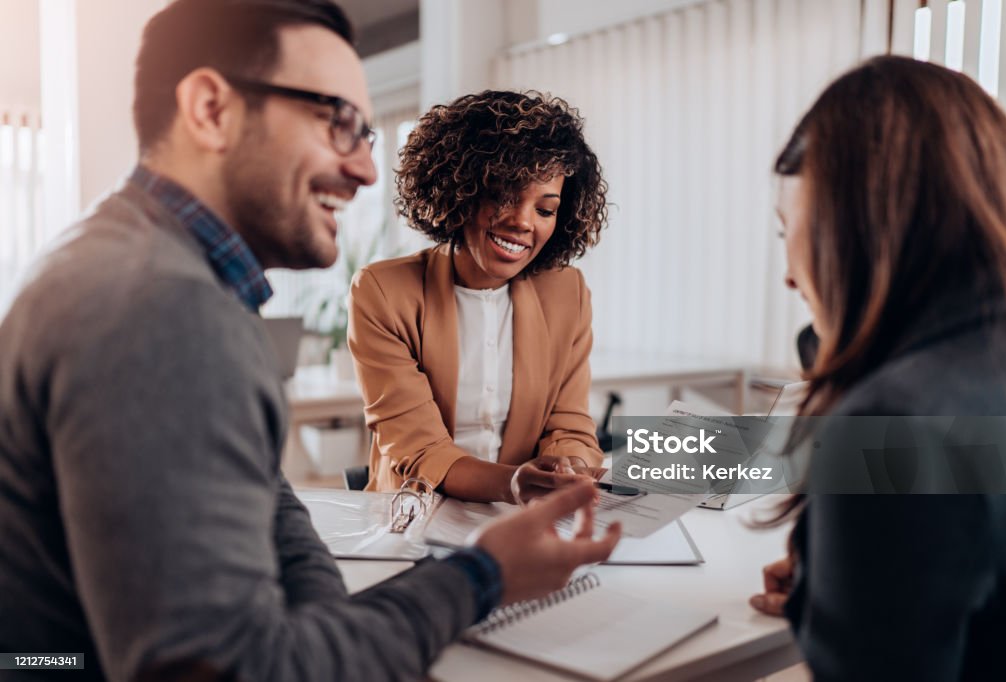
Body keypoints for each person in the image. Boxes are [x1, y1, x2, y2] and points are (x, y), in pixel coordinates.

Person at [0, 1, 621, 680]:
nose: (362, 170)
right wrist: (483, 578)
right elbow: (236, 669)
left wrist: (334, 612)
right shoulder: (160, 311)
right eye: (337, 123)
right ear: (211, 109)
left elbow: (268, 498)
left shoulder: (138, 260)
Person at [749, 56, 1006, 678]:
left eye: (789, 229)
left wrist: (832, 593)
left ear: (857, 227)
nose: (791, 274)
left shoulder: (895, 421)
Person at [348, 90, 610, 502]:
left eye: (545, 209)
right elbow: (419, 450)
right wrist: (513, 483)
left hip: (521, 520)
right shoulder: (383, 292)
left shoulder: (567, 293)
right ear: (462, 191)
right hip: (412, 516)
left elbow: (570, 424)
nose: (523, 222)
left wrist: (568, 466)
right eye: (505, 196)